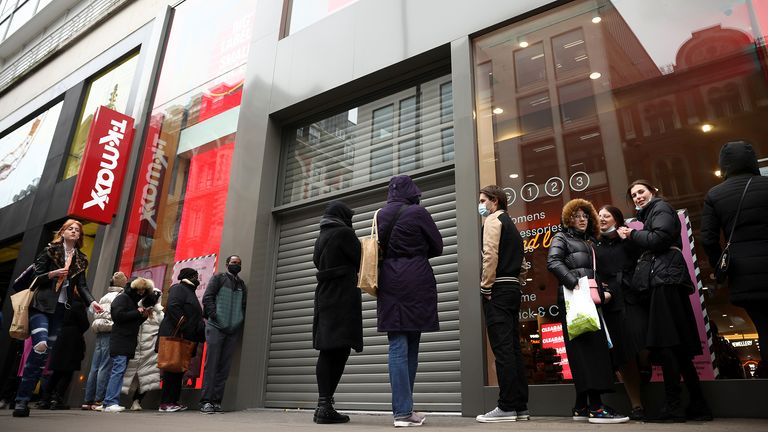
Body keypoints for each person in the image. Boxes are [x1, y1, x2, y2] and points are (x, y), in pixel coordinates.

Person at [617, 180, 711, 422]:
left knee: (668, 344)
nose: (637, 197)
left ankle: (674, 406)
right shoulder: (654, 213)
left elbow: (658, 239)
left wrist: (632, 234)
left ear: (653, 192)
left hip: (665, 282)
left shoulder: (660, 209)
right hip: (667, 281)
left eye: (641, 192)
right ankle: (698, 405)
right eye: (633, 195)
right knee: (678, 348)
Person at [547, 199, 628, 424]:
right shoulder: (561, 237)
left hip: (589, 300)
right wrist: (576, 283)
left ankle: (581, 406)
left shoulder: (591, 241)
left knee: (588, 349)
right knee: (588, 351)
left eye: (584, 216)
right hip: (575, 300)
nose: (581, 219)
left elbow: (599, 271)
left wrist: (603, 289)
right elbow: (553, 262)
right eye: (576, 216)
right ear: (568, 218)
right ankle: (596, 408)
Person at [13, 219, 104, 418]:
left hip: (61, 309)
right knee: (40, 346)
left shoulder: (80, 259)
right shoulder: (49, 251)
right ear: (62, 232)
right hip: (41, 305)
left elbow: (82, 286)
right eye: (70, 228)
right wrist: (53, 273)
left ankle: (24, 398)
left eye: (77, 230)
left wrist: (92, 302)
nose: (74, 231)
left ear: (80, 236)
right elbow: (36, 277)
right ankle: (21, 401)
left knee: (42, 356)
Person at [377, 175, 443, 428]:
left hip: (389, 280)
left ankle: (402, 411)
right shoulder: (418, 212)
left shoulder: (381, 214)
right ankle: (405, 411)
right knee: (412, 343)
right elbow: (438, 246)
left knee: (396, 343)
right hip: (416, 278)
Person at [701, 140, 768, 371]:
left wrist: (720, 266)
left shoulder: (715, 194)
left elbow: (708, 238)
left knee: (763, 327)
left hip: (744, 274)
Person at [474, 185, 529, 423]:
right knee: (513, 349)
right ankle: (520, 406)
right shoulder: (512, 224)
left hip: (497, 289)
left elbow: (490, 254)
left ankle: (506, 406)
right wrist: (518, 282)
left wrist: (486, 286)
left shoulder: (493, 221)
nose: (481, 205)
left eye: (483, 200)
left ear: (494, 201)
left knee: (502, 349)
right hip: (513, 288)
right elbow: (524, 264)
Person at [311, 201, 362, 424]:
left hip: (324, 295)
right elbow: (361, 258)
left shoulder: (321, 237)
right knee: (340, 350)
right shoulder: (344, 233)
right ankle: (325, 406)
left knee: (327, 349)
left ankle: (323, 404)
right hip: (342, 296)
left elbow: (316, 262)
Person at [594, 205, 645, 420]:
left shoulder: (629, 238)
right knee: (623, 355)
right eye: (600, 216)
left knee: (643, 341)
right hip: (611, 303)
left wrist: (629, 238)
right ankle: (637, 405)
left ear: (617, 219)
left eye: (607, 215)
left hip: (635, 297)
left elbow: (642, 257)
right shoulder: (594, 245)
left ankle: (646, 369)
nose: (602, 218)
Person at [199, 255, 248, 414]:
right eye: (234, 262)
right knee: (211, 365)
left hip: (232, 330)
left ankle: (216, 401)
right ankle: (206, 401)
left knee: (224, 368)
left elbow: (243, 305)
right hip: (216, 327)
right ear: (227, 264)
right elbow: (208, 298)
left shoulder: (242, 285)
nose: (236, 265)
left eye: (239, 263)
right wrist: (214, 315)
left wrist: (238, 320)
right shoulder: (218, 278)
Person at [100, 277, 153, 412]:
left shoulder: (131, 301)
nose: (141, 293)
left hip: (126, 340)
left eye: (143, 291)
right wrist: (137, 312)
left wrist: (143, 316)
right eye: (139, 290)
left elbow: (131, 321)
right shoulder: (123, 298)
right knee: (118, 371)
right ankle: (111, 402)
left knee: (119, 371)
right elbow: (118, 316)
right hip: (121, 340)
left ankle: (108, 402)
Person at [157, 268, 206, 413]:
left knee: (178, 370)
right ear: (187, 277)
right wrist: (185, 327)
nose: (197, 278)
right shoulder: (179, 288)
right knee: (171, 370)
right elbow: (173, 307)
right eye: (194, 276)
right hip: (176, 335)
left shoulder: (189, 292)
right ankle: (165, 403)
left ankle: (173, 401)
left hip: (184, 337)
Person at [82, 272, 127, 410]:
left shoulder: (104, 296)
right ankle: (98, 400)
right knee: (105, 366)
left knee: (95, 367)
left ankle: (88, 400)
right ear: (122, 284)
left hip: (100, 332)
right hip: (110, 331)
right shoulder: (119, 297)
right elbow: (115, 315)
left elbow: (97, 313)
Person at [39, 293, 90, 410]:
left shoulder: (62, 304)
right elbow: (85, 324)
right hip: (72, 339)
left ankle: (45, 399)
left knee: (56, 372)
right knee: (67, 371)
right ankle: (57, 399)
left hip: (60, 336)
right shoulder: (78, 305)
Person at [121, 284, 163, 411]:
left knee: (146, 378)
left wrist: (156, 308)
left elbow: (163, 322)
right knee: (129, 375)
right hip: (136, 347)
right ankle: (116, 400)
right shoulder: (138, 309)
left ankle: (137, 401)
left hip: (150, 350)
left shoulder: (159, 313)